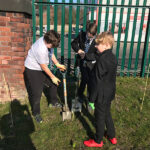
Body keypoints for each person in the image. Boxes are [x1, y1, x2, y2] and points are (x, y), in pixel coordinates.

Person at [24, 30, 66, 123]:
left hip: (41, 67)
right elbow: (43, 66)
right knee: (37, 92)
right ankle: (36, 113)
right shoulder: (41, 49)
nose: (52, 47)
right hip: (33, 69)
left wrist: (57, 64)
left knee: (54, 84)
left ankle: (53, 102)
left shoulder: (47, 41)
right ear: (47, 42)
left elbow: (51, 53)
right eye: (52, 46)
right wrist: (52, 76)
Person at [84, 31, 118, 147]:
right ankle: (112, 136)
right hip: (110, 91)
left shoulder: (102, 60)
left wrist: (92, 99)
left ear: (107, 45)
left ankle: (98, 141)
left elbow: (97, 82)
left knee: (99, 117)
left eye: (98, 44)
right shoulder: (112, 56)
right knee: (107, 113)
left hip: (101, 94)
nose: (95, 46)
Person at [71, 21, 97, 103]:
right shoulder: (81, 35)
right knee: (84, 79)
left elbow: (97, 54)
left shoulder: (98, 40)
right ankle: (80, 95)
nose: (90, 37)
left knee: (90, 80)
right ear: (87, 31)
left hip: (92, 63)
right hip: (81, 62)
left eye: (92, 36)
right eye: (89, 35)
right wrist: (78, 50)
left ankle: (89, 98)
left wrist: (86, 55)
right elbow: (73, 43)